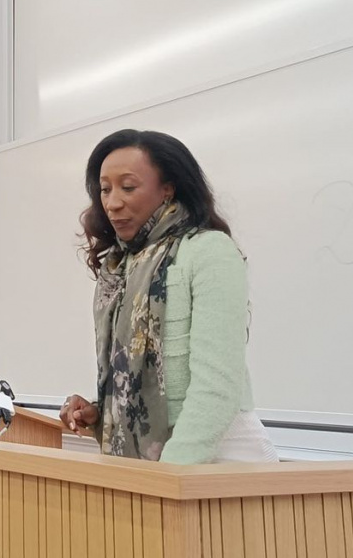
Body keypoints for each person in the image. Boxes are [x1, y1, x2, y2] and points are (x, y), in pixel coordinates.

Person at [58, 129, 276, 464]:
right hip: (154, 466)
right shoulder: (121, 266)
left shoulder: (209, 251)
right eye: (105, 189)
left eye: (128, 187)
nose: (113, 202)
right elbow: (142, 387)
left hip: (219, 454)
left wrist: (165, 475)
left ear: (168, 189)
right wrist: (100, 413)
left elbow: (217, 387)